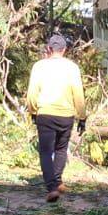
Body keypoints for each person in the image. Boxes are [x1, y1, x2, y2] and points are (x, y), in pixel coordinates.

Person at [25, 33, 86, 203]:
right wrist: (82, 117)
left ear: (49, 49)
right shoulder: (72, 68)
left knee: (45, 152)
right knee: (61, 148)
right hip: (66, 115)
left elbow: (32, 93)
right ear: (65, 50)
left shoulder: (39, 66)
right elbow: (78, 94)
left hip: (45, 113)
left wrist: (33, 111)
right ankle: (57, 181)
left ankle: (52, 187)